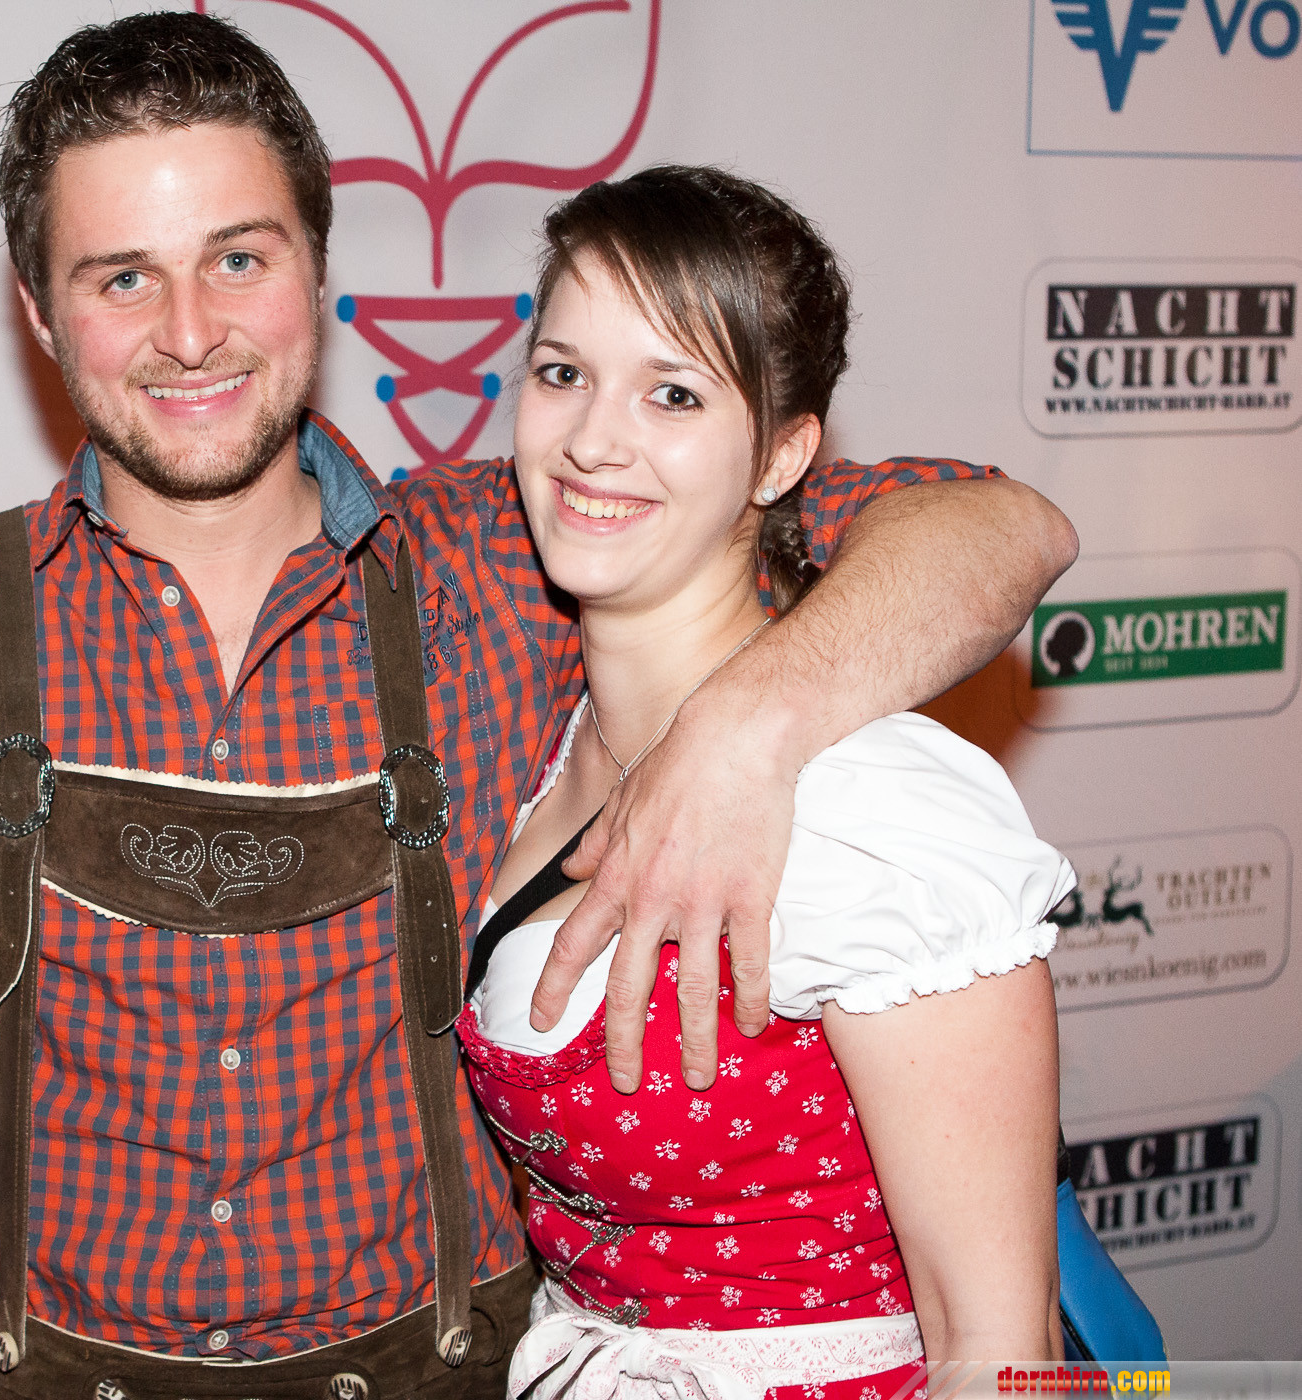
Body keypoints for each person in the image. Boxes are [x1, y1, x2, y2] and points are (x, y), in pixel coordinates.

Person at [0, 14, 1078, 1396]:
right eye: (119, 277)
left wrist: (760, 723)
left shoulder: (526, 545)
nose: (192, 329)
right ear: (37, 313)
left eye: (239, 256)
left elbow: (993, 528)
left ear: (321, 269)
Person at [458, 167, 1072, 1396]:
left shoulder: (871, 807)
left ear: (784, 455)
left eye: (672, 392)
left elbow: (1001, 1346)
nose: (591, 439)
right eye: (563, 371)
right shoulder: (557, 737)